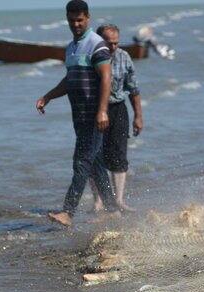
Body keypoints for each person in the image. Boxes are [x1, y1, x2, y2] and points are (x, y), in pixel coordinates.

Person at [37, 0, 119, 226]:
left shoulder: (96, 44)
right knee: (95, 164)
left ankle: (68, 212)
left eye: (79, 20)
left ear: (88, 18)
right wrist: (49, 96)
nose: (75, 24)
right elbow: (69, 79)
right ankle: (113, 210)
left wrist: (102, 111)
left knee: (81, 162)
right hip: (79, 116)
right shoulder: (71, 47)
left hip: (95, 116)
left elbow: (105, 78)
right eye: (71, 20)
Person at [90, 23, 142, 212]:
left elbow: (134, 89)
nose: (112, 47)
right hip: (95, 110)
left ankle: (119, 200)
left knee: (119, 155)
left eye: (116, 43)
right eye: (108, 43)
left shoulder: (124, 56)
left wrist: (138, 116)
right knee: (94, 155)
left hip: (118, 109)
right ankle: (98, 201)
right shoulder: (90, 57)